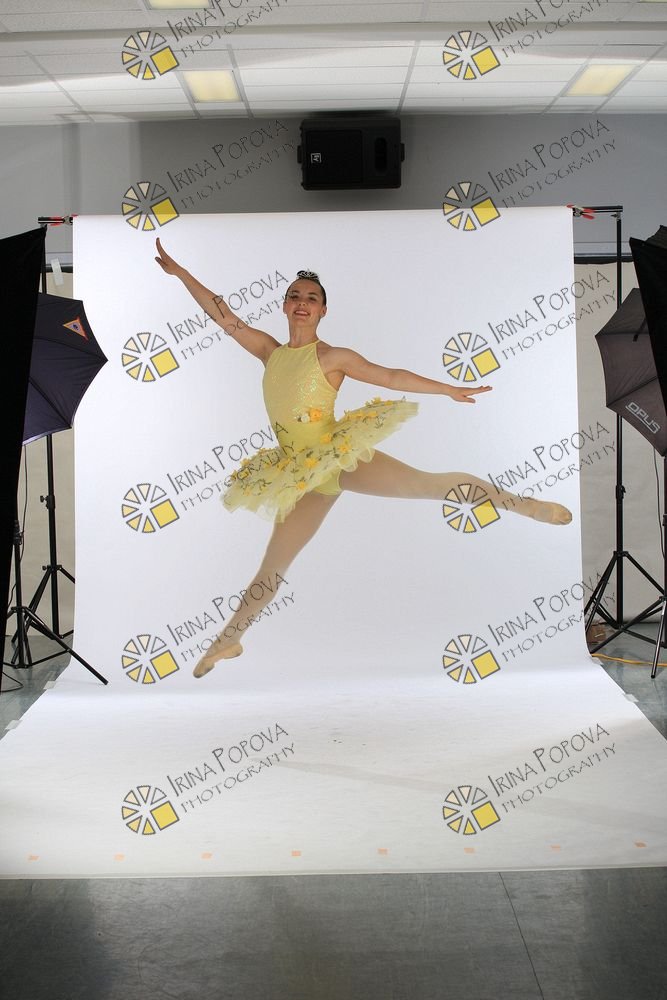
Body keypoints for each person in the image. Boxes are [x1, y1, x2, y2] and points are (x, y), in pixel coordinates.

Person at [155, 238, 571, 678]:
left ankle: (521, 504)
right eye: (295, 296)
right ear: (284, 306)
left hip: (337, 457)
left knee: (428, 484)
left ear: (323, 311)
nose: (302, 303)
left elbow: (390, 376)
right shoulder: (268, 352)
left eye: (311, 298)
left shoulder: (333, 357)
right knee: (272, 567)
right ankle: (230, 639)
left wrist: (447, 388)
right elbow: (222, 314)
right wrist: (182, 274)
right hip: (297, 474)